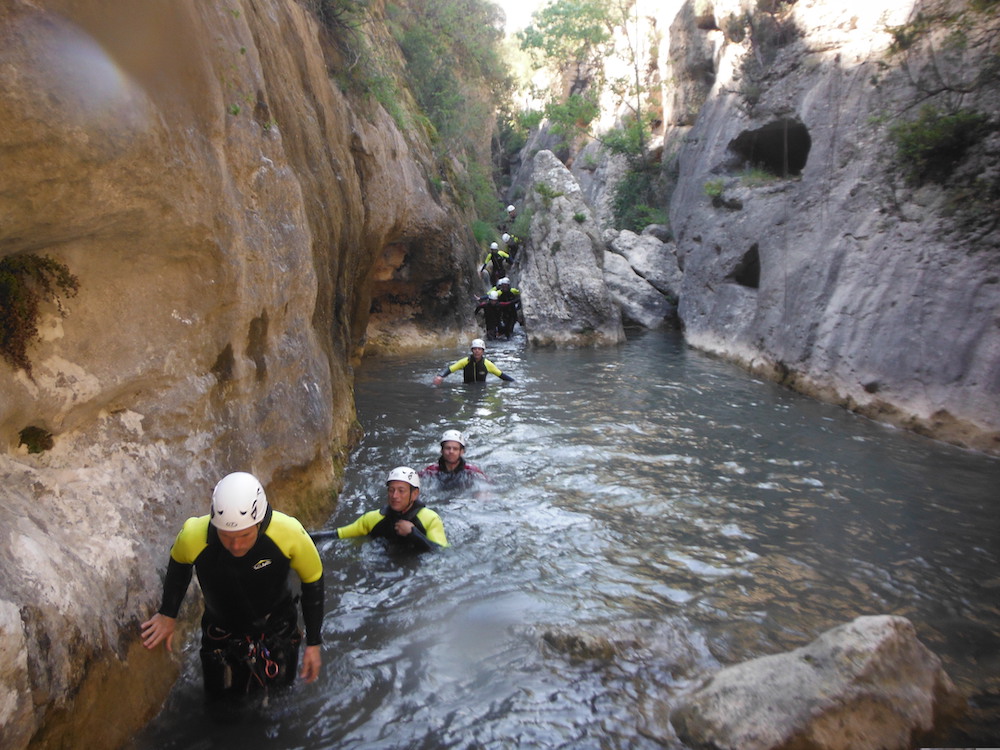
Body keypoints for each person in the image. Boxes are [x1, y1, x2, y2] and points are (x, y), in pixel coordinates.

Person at [141, 472, 324, 701]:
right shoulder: (194, 535)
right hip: (221, 632)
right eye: (226, 536)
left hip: (277, 629)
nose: (236, 545)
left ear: (259, 522)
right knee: (220, 710)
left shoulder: (289, 534)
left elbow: (313, 580)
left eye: (245, 535)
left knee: (280, 700)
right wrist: (167, 614)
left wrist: (314, 644)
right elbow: (179, 565)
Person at [335, 467, 448, 551]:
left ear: (414, 494)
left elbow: (442, 553)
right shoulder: (373, 518)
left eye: (401, 491)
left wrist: (414, 534)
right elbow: (339, 535)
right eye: (391, 490)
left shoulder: (430, 519)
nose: (394, 496)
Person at [419, 430, 487, 490]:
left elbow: (490, 485)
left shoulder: (471, 471)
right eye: (448, 448)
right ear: (441, 450)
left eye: (455, 449)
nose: (451, 452)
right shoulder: (431, 471)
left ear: (461, 452)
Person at [433, 338, 515, 384]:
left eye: (479, 349)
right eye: (475, 349)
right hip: (466, 388)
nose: (477, 351)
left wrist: (515, 383)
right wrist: (440, 376)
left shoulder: (488, 364)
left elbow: (502, 376)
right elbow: (450, 369)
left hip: (482, 389)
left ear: (483, 351)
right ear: (472, 350)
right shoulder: (465, 361)